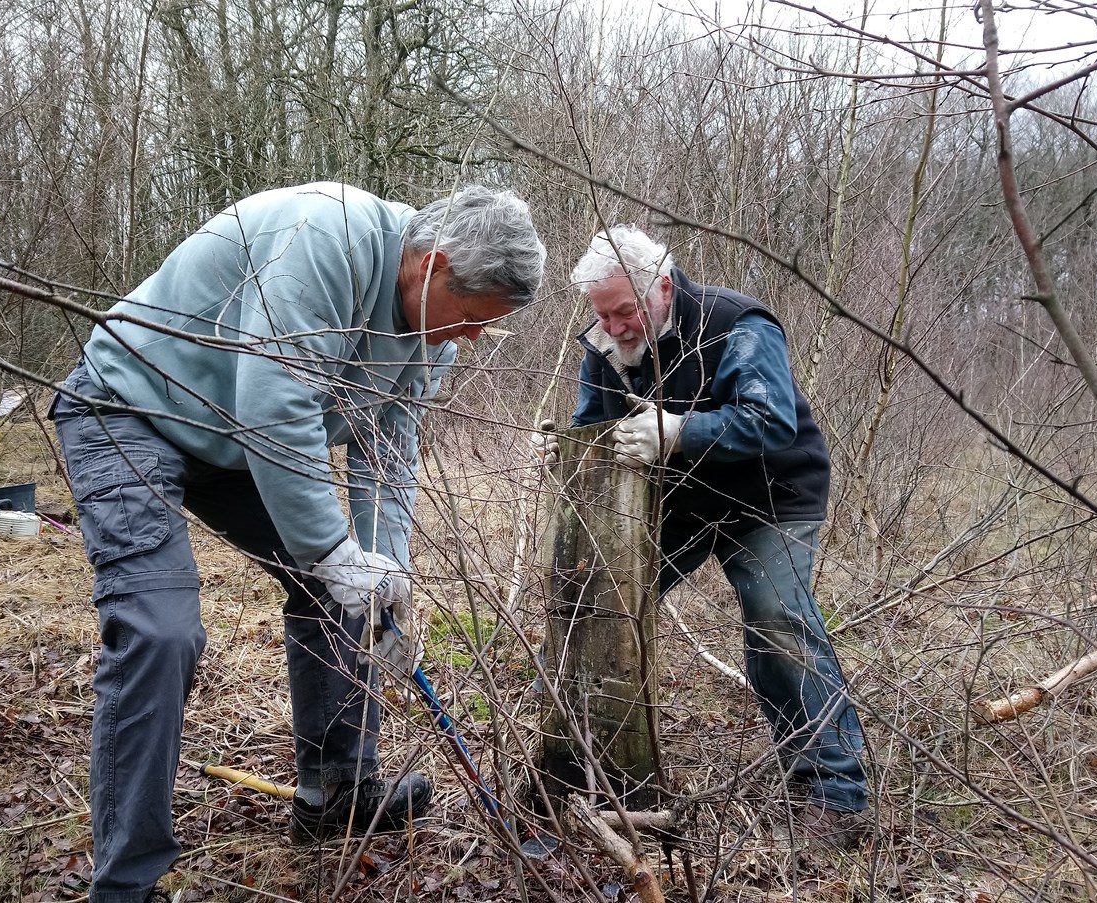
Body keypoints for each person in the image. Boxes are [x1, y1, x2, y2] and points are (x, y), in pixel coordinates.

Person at [50, 182, 546, 903]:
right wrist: (337, 554)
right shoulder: (326, 238)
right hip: (129, 409)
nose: (470, 338)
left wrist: (386, 574)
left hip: (229, 444)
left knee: (341, 591)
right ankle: (126, 882)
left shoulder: (431, 332)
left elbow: (389, 444)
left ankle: (336, 792)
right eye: (471, 318)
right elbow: (274, 404)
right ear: (432, 264)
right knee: (160, 630)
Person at [557, 225, 870, 846]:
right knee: (599, 606)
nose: (616, 327)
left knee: (774, 617)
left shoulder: (738, 325)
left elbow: (771, 423)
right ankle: (588, 772)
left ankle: (836, 797)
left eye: (625, 311)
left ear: (663, 288)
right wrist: (567, 452)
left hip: (770, 495)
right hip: (679, 501)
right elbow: (592, 428)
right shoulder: (604, 341)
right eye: (603, 314)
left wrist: (678, 432)